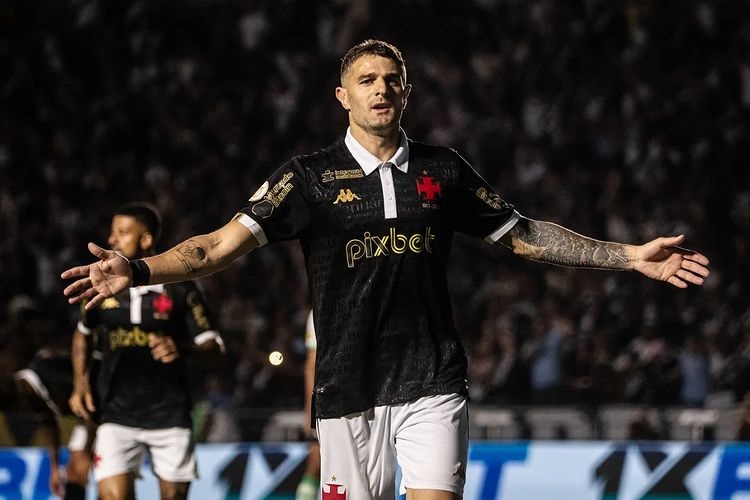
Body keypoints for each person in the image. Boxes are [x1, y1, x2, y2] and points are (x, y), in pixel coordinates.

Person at [62, 40, 710, 499]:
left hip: (432, 378)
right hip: (347, 389)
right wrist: (139, 269)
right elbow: (217, 247)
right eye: (367, 79)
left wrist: (628, 256)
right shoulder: (306, 178)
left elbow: (525, 235)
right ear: (341, 95)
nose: (381, 89)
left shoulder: (443, 170)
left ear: (407, 93)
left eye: (392, 79)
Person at [66, 202, 225, 500]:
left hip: (170, 415)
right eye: (112, 232)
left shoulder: (181, 289)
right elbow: (82, 335)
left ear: (147, 240)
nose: (112, 240)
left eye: (122, 233)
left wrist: (183, 348)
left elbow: (214, 347)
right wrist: (80, 382)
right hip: (116, 414)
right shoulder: (101, 287)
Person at [0, 347, 95, 498]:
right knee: (73, 473)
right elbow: (50, 425)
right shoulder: (33, 395)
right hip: (86, 420)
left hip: (110, 412)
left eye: (18, 408)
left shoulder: (55, 376)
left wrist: (86, 450)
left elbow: (93, 404)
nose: (24, 412)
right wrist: (55, 467)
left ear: (20, 394)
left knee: (83, 468)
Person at [296, 310, 321, 500]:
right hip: (330, 401)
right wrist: (310, 411)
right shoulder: (317, 311)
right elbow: (311, 364)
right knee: (316, 461)